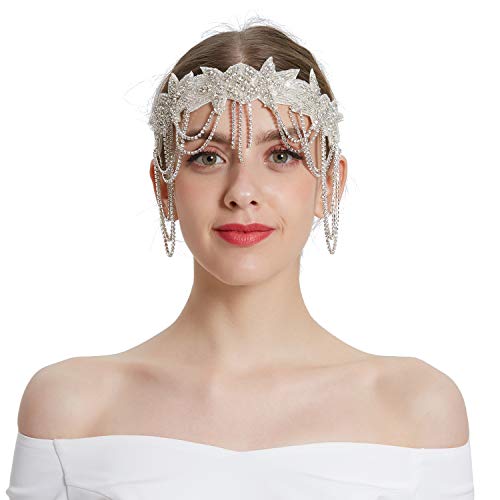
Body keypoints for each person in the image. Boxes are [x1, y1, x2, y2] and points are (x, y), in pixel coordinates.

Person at [6, 19, 474, 499]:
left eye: (282, 154)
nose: (242, 192)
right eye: (207, 157)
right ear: (164, 186)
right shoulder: (71, 407)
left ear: (330, 183)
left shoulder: (417, 409)